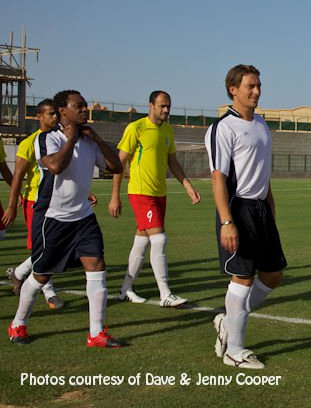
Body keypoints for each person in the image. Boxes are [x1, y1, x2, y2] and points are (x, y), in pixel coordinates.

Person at [7, 90, 124, 347]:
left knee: (97, 266)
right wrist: (71, 139)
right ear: (63, 110)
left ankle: (96, 334)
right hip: (53, 219)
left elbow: (116, 167)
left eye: (85, 106)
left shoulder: (89, 140)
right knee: (41, 275)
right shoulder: (47, 139)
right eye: (78, 106)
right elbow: (56, 166)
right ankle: (18, 324)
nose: (84, 110)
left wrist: (97, 138)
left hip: (82, 217)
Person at [206, 64, 285, 370]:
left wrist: (271, 212)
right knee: (242, 277)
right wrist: (227, 221)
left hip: (261, 209)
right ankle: (234, 350)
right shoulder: (222, 128)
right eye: (250, 86)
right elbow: (217, 177)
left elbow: (263, 176)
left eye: (258, 85)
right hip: (237, 208)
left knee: (273, 274)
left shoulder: (262, 124)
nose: (256, 91)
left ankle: (228, 320)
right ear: (233, 89)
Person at [109, 90, 200, 307]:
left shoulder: (167, 130)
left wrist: (187, 186)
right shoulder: (136, 128)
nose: (166, 110)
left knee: (141, 242)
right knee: (159, 239)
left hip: (160, 193)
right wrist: (115, 196)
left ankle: (125, 289)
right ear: (151, 106)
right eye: (162, 106)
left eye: (168, 106)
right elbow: (118, 162)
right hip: (141, 192)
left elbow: (173, 162)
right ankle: (165, 293)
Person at [3, 99, 65, 309]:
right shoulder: (29, 143)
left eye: (57, 114)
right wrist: (12, 204)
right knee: (43, 248)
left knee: (51, 247)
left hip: (58, 201)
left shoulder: (59, 140)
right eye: (50, 114)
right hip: (35, 202)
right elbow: (17, 176)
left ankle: (19, 273)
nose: (55, 118)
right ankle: (49, 292)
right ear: (39, 117)